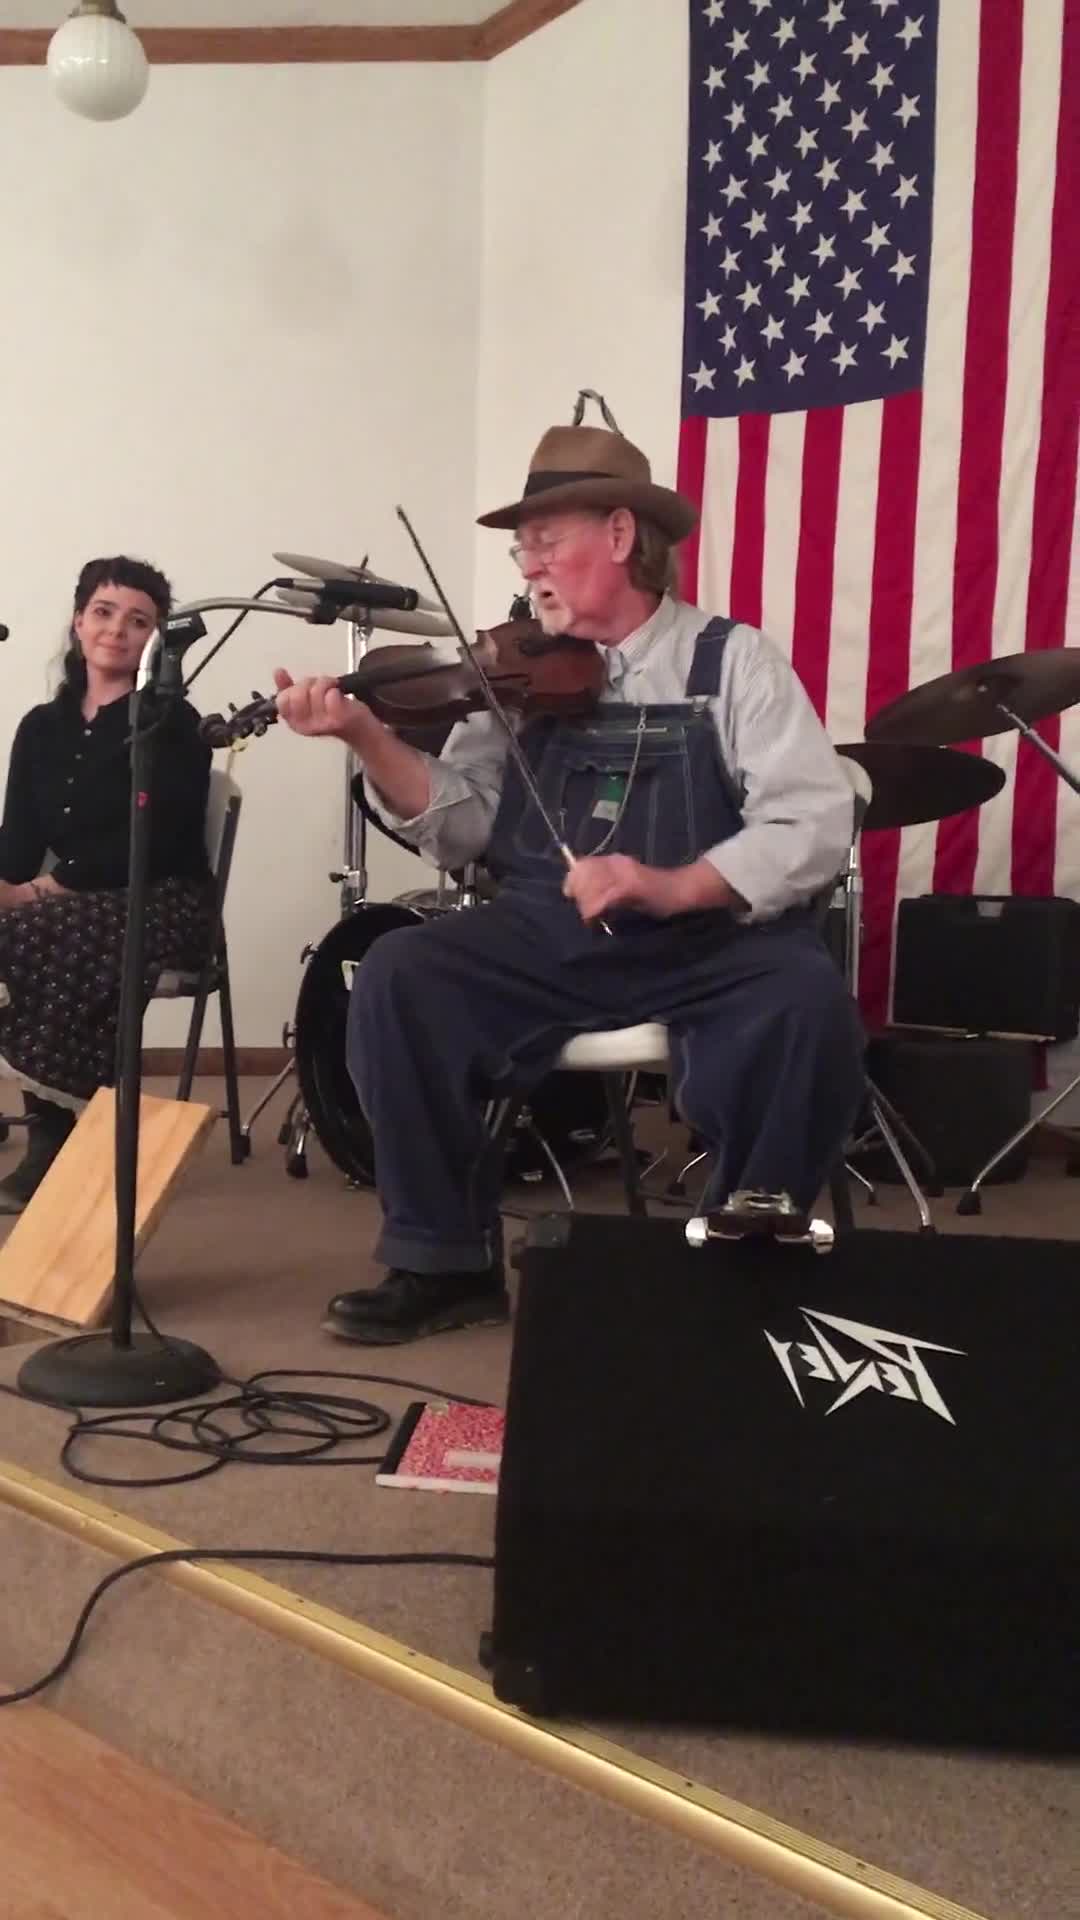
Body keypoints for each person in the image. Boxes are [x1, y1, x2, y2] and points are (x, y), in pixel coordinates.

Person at [276, 415, 866, 1344]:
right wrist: (367, 737)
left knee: (805, 994)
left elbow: (813, 819)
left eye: (545, 542)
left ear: (622, 535)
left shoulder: (730, 659)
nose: (527, 567)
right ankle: (444, 1261)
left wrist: (673, 885)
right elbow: (462, 825)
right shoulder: (513, 674)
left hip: (709, 942)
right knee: (399, 973)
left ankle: (758, 1247)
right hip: (544, 935)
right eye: (521, 550)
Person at [0, 556, 214, 1212]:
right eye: (104, 611)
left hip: (163, 894)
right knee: (26, 924)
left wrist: (39, 892)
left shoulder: (173, 724)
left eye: (138, 620)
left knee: (40, 926)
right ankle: (56, 1121)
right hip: (64, 900)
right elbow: (19, 839)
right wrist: (8, 885)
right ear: (78, 621)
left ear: (155, 638)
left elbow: (159, 839)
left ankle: (57, 1131)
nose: (117, 630)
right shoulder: (40, 726)